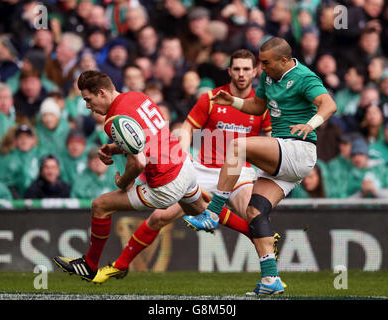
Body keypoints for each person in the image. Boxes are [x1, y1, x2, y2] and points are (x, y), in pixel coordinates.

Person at [185, 37, 337, 295]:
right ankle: (271, 280)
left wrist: (310, 125)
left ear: (284, 60)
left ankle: (212, 213)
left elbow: (329, 104)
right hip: (283, 157)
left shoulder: (304, 77)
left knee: (237, 146)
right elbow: (257, 106)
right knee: (255, 212)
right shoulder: (269, 77)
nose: (261, 67)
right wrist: (231, 101)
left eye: (265, 63)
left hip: (298, 149)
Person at [53, 70, 207, 284]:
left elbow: (139, 162)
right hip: (183, 165)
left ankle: (89, 265)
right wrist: (114, 149)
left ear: (101, 92)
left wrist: (123, 182)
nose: (88, 106)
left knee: (101, 205)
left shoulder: (113, 120)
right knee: (205, 213)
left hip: (165, 182)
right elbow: (147, 138)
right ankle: (258, 233)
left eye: (89, 100)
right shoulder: (137, 96)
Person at [180, 49, 271, 240]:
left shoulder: (261, 105)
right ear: (229, 71)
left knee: (255, 217)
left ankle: (270, 260)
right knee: (159, 217)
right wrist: (183, 151)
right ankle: (120, 265)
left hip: (239, 172)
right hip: (203, 170)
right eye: (237, 69)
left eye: (246, 69)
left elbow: (272, 140)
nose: (241, 74)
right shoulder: (212, 98)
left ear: (255, 72)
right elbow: (187, 127)